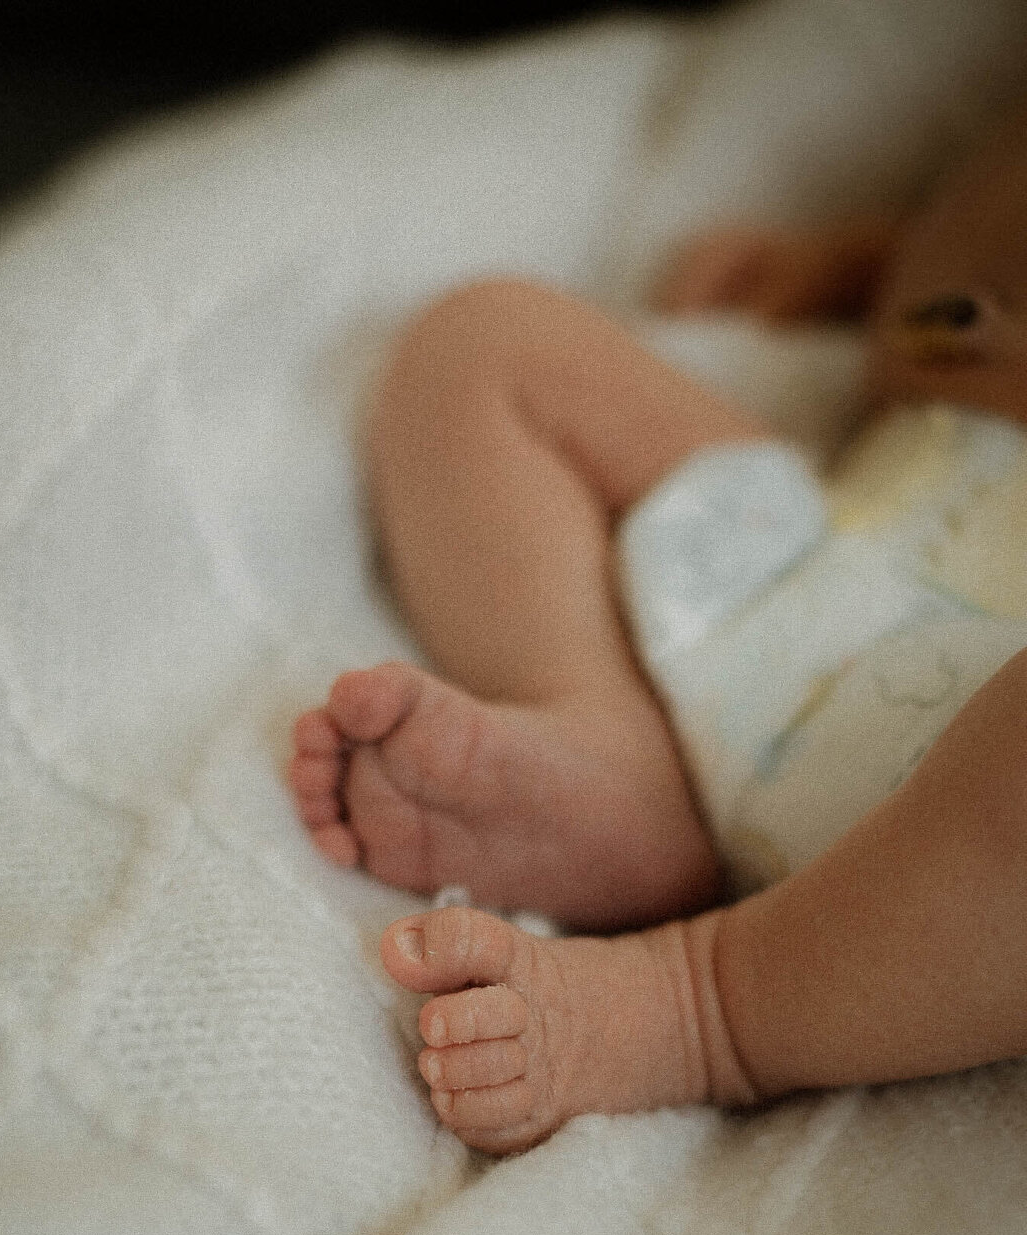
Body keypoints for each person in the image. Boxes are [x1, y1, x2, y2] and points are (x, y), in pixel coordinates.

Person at [287, 104, 1027, 1154]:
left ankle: (700, 1009)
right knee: (490, 342)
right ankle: (607, 739)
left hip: (977, 791)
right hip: (810, 571)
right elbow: (945, 298)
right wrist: (858, 266)